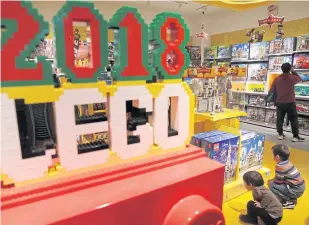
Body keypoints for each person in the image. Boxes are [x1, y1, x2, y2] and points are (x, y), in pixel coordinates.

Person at [269, 62, 305, 142]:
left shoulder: (277, 79)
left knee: (280, 119)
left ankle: (280, 134)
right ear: (289, 69)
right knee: (293, 119)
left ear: (281, 69)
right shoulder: (292, 78)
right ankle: (295, 136)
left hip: (279, 102)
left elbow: (273, 90)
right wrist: (293, 71)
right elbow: (299, 78)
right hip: (290, 102)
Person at [268, 144, 305, 209]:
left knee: (271, 185)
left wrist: (271, 181)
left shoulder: (280, 167)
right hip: (300, 187)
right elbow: (279, 177)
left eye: (272, 154)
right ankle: (290, 197)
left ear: (277, 157)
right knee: (273, 183)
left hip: (296, 190)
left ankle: (289, 201)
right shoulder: (287, 162)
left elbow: (279, 182)